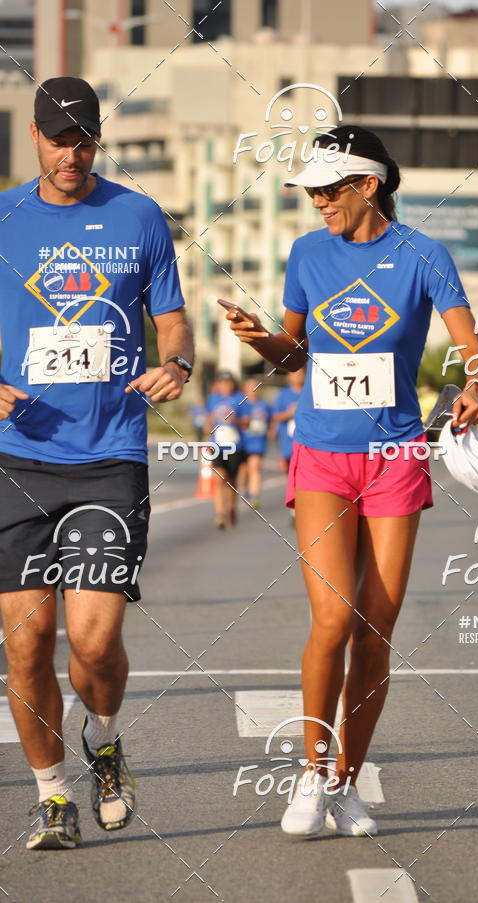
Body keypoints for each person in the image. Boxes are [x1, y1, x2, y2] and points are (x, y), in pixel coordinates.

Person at [224, 125, 478, 837]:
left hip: (396, 456)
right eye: (310, 191)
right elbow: (294, 354)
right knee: (334, 618)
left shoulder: (425, 255)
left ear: (369, 185)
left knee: (375, 630)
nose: (317, 201)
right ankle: (311, 773)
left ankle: (345, 783)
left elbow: (472, 349)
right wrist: (260, 338)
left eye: (328, 189)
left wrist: (474, 386)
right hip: (322, 454)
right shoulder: (307, 254)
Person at [0, 77, 194, 849]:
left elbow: (172, 320)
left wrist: (176, 364)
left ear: (98, 141)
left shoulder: (138, 215)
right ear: (35, 137)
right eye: (59, 140)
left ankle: (103, 739)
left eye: (84, 141)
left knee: (92, 641)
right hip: (18, 457)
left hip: (110, 454)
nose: (71, 155)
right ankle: (52, 796)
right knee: (24, 645)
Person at [206, 370, 247, 529]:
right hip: (217, 445)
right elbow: (209, 420)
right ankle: (219, 514)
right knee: (219, 477)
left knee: (231, 480)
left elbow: (247, 422)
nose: (225, 386)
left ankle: (231, 508)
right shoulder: (213, 399)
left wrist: (235, 420)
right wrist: (208, 426)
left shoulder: (240, 399)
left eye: (228, 383)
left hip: (235, 445)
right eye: (222, 383)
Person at [239, 378, 272, 509]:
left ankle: (255, 496)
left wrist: (271, 430)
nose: (253, 390)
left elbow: (272, 420)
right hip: (242, 441)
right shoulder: (241, 404)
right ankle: (245, 491)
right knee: (244, 470)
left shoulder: (264, 405)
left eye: (256, 387)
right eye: (250, 387)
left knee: (255, 466)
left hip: (257, 442)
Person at [271, 369, 305, 473]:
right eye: (295, 374)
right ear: (289, 376)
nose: (297, 376)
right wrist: (289, 413)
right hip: (288, 442)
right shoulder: (284, 393)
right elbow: (275, 416)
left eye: (300, 374)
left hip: (306, 442)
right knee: (289, 473)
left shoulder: (310, 392)